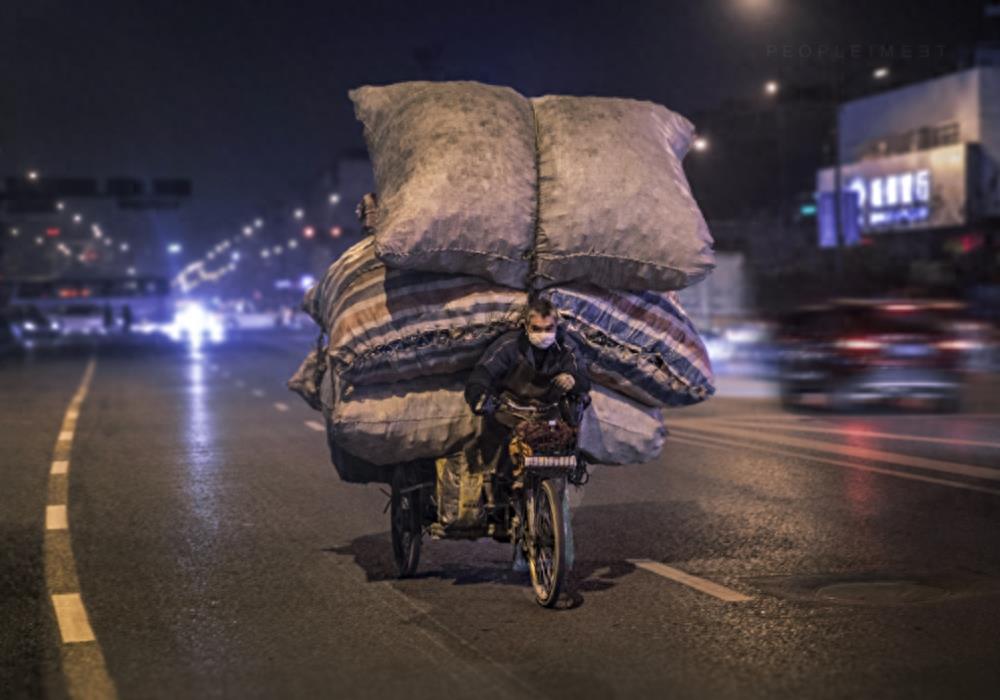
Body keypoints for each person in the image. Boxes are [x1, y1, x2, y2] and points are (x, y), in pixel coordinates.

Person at [464, 297, 591, 475]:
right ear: (526, 326)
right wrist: (478, 393)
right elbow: (484, 372)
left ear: (556, 326)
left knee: (563, 447)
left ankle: (554, 494)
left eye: (549, 328)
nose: (543, 334)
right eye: (536, 329)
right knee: (493, 461)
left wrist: (573, 380)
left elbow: (584, 379)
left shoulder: (567, 347)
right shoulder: (508, 345)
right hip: (511, 412)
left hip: (548, 414)